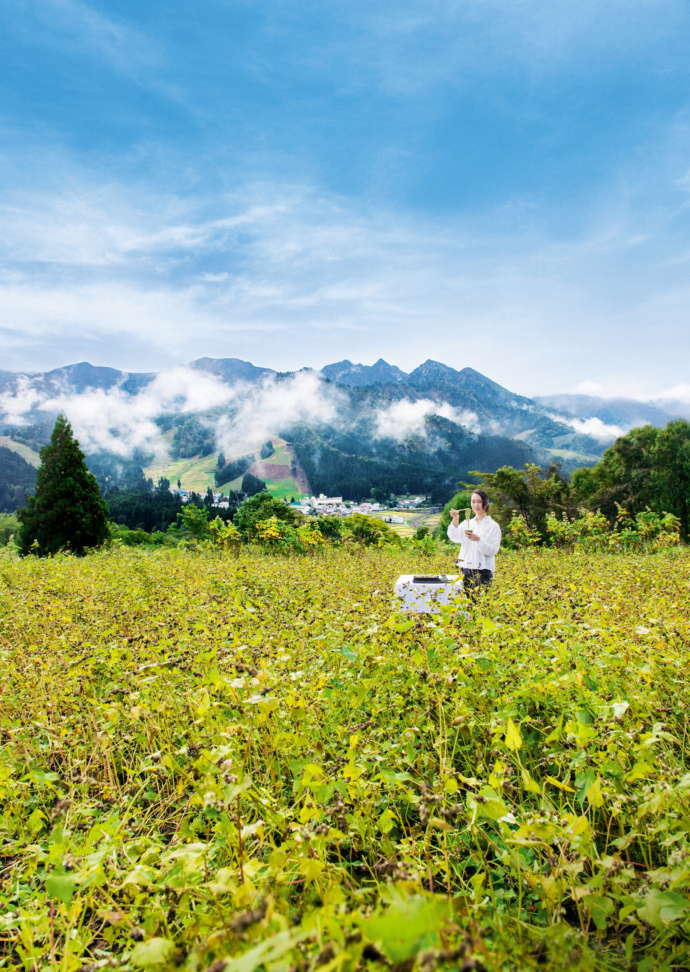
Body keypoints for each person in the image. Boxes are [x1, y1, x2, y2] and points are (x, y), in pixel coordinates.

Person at [447, 489, 501, 595]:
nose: (476, 505)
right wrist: (455, 519)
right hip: (465, 569)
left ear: (485, 503)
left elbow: (492, 551)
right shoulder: (467, 523)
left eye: (479, 501)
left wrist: (478, 540)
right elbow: (454, 537)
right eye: (473, 501)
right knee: (466, 606)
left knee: (481, 606)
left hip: (483, 571)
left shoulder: (493, 526)